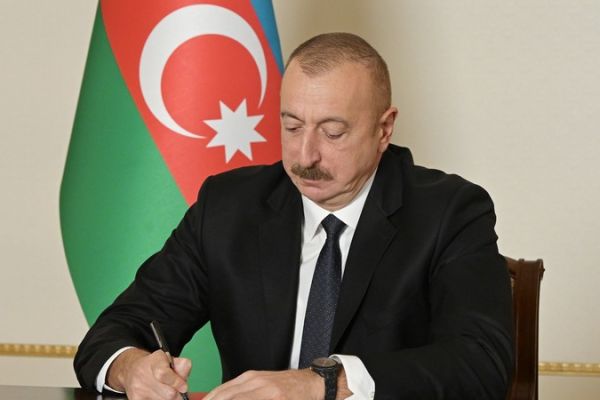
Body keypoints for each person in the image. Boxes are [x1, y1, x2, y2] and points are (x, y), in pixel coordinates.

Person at [74, 32, 514, 400]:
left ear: (384, 129)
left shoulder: (450, 212)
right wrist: (132, 368)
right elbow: (117, 330)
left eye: (332, 132)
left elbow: (482, 363)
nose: (306, 156)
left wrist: (323, 383)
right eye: (292, 126)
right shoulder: (228, 207)